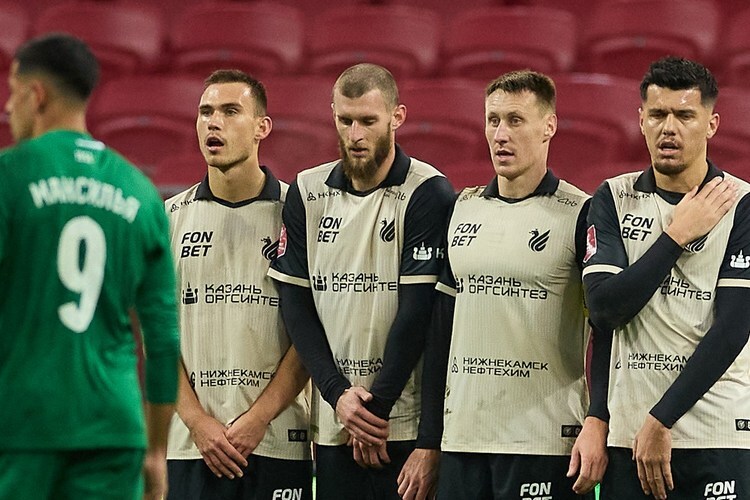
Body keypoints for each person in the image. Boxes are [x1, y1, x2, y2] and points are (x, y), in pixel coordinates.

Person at [397, 70, 610, 500]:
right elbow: (440, 332)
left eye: (515, 120)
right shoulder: (462, 208)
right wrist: (430, 439)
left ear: (549, 126)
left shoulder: (581, 213)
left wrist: (598, 417)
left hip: (545, 441)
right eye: (492, 120)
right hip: (463, 440)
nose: (500, 135)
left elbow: (607, 328)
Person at [0, 33, 180, 500]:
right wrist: (156, 450)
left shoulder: (9, 175)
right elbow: (163, 338)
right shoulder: (140, 191)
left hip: (23, 425)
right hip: (114, 429)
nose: (8, 107)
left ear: (36, 95)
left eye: (12, 92)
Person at [268, 63, 455, 499]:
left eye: (368, 121)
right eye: (345, 120)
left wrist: (375, 411)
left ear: (397, 117)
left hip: (402, 423)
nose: (355, 135)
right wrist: (338, 396)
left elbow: (418, 314)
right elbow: (296, 307)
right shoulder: (307, 190)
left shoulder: (427, 191)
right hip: (336, 421)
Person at [583, 56, 750, 500]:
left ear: (712, 124)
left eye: (684, 116)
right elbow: (605, 311)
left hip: (715, 434)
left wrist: (663, 418)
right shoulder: (613, 197)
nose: (668, 128)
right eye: (657, 115)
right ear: (641, 120)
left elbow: (733, 329)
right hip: (628, 436)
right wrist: (675, 236)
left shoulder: (742, 204)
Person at [164, 69, 312, 500]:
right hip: (192, 445)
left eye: (231, 111)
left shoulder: (298, 214)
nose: (214, 122)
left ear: (262, 127)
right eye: (206, 112)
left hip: (278, 440)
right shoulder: (167, 218)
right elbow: (157, 340)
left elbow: (311, 333)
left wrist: (259, 418)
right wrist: (197, 422)